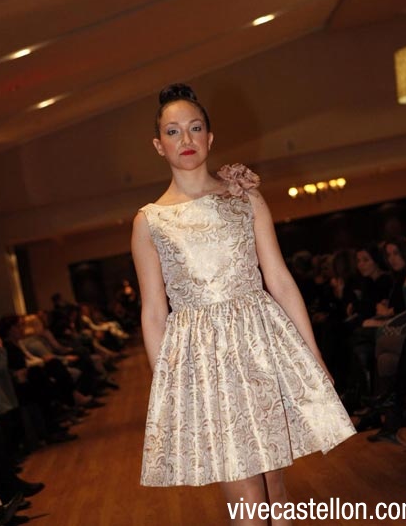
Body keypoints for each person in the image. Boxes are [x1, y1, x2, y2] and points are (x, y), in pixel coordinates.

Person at [131, 84, 355, 525]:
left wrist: (313, 356)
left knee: (275, 490)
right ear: (159, 145)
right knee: (248, 500)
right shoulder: (149, 221)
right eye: (173, 132)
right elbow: (154, 312)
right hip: (203, 365)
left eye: (195, 128)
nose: (186, 139)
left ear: (210, 137)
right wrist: (170, 390)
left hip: (260, 350)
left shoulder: (244, 196)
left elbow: (280, 280)